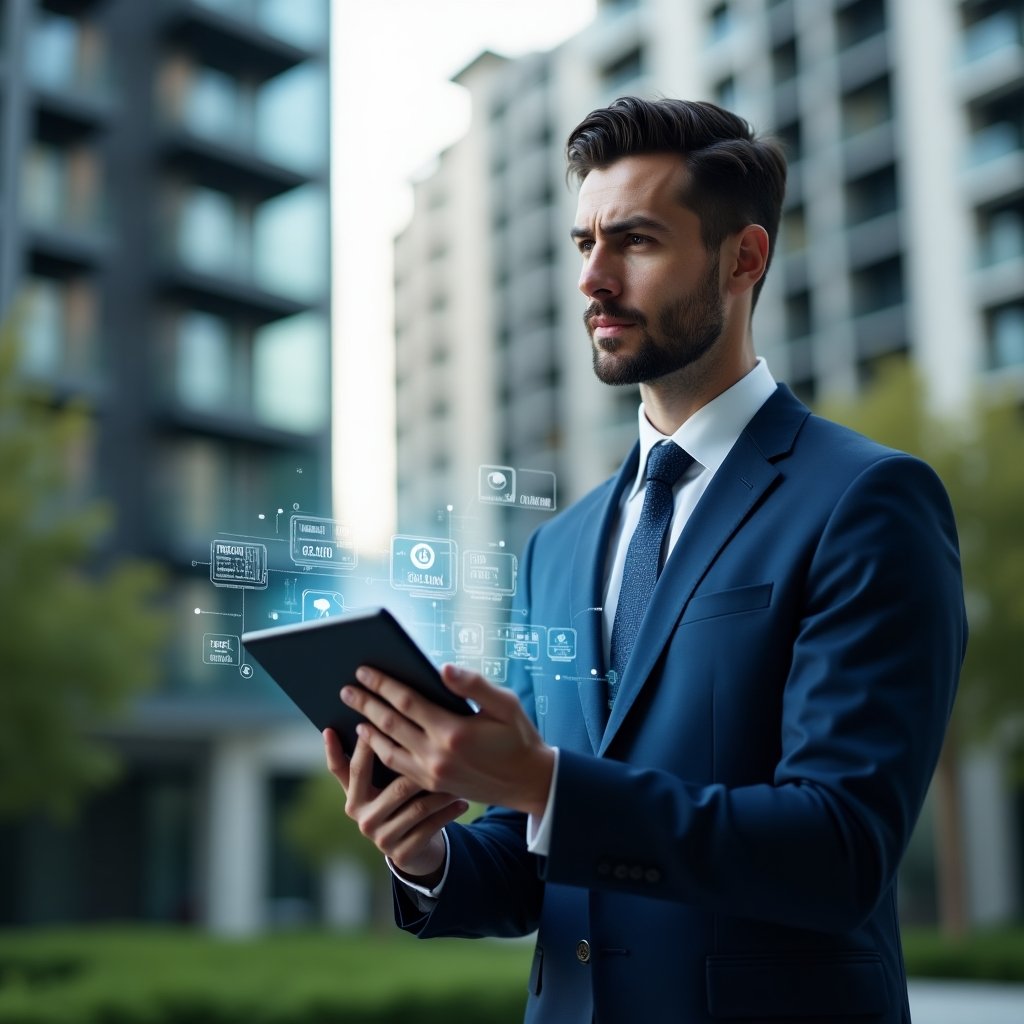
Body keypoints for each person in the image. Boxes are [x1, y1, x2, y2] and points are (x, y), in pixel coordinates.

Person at [324, 97, 967, 1023]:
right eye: (584, 242)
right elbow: (535, 859)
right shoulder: (556, 549)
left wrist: (545, 783)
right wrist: (426, 852)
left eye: (635, 241)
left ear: (743, 259)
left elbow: (840, 849)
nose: (594, 277)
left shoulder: (867, 501)